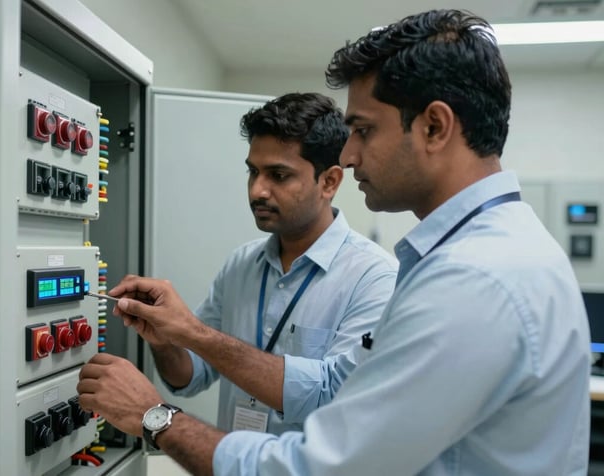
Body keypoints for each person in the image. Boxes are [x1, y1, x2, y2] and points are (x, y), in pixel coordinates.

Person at [78, 9, 591, 475]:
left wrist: (154, 416)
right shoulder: (490, 254)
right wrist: (176, 337)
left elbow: (322, 463)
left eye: (363, 130)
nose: (347, 156)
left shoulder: (472, 279)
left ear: (434, 126)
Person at [121, 92, 397, 435]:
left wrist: (193, 332)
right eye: (253, 172)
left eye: (278, 175)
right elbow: (189, 376)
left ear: (329, 182)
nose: (257, 191)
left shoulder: (374, 277)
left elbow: (336, 397)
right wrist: (164, 338)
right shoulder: (241, 265)